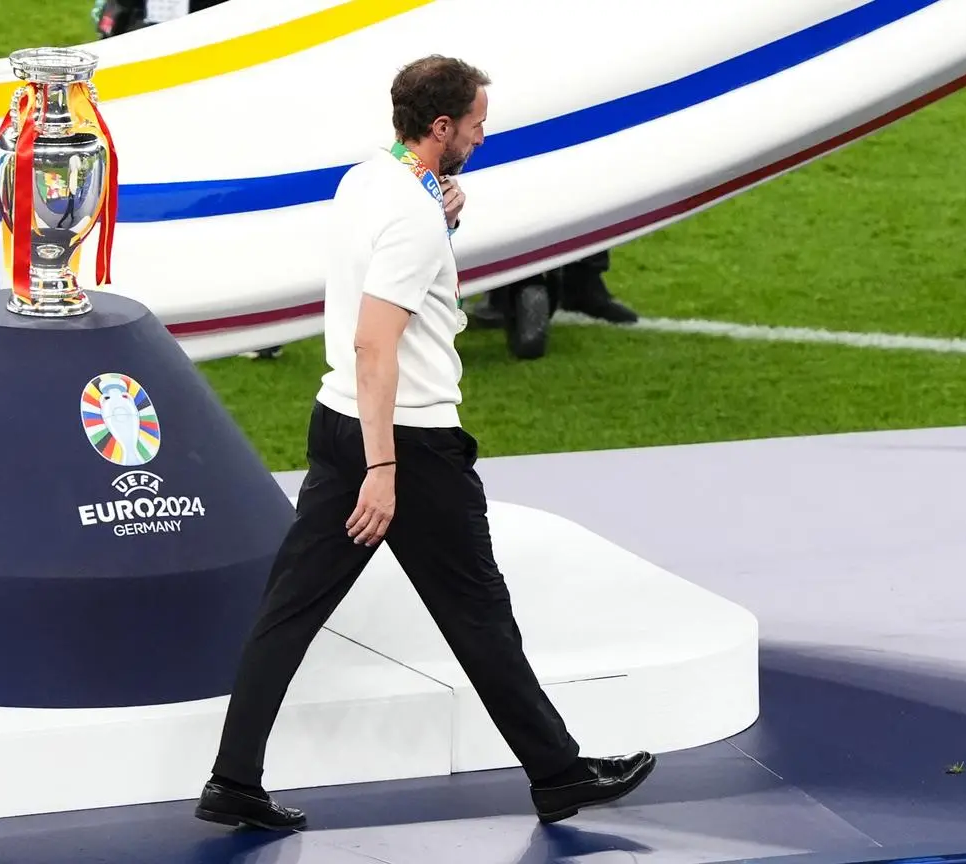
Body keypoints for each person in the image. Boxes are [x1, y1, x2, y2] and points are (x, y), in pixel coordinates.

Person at [194, 55, 656, 832]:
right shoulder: (410, 212)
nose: (483, 134)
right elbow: (379, 346)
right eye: (476, 123)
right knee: (478, 611)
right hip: (407, 441)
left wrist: (440, 218)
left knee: (290, 610)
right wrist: (385, 469)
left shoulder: (369, 181)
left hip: (339, 418)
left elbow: (377, 284)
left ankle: (232, 780)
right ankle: (557, 775)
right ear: (441, 127)